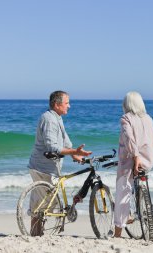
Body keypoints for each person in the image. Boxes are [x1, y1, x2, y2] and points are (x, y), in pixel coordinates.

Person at [28, 90, 92, 236]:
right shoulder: (49, 119)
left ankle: (36, 234)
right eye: (67, 103)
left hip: (46, 167)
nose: (69, 106)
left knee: (40, 202)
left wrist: (76, 154)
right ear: (57, 104)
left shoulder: (57, 118)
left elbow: (65, 140)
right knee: (44, 203)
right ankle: (36, 234)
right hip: (42, 167)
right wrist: (73, 152)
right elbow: (52, 147)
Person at [113, 91, 153, 238]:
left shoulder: (126, 118)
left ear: (126, 105)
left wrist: (136, 156)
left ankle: (117, 233)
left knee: (122, 193)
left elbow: (129, 139)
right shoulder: (149, 119)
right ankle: (143, 212)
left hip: (131, 161)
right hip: (147, 160)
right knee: (140, 185)